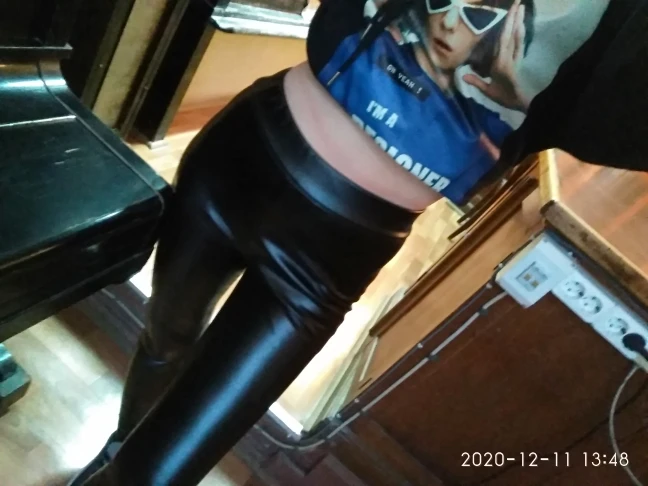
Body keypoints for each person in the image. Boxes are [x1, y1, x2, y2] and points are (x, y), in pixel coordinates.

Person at [69, 0, 644, 484]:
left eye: (476, 14)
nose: (449, 21)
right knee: (164, 340)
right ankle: (118, 444)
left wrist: (526, 98)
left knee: (155, 477)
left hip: (332, 259)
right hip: (243, 154)